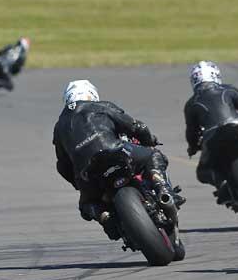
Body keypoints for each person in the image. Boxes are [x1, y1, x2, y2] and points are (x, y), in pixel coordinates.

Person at [53, 80, 183, 239]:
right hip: (116, 151)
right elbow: (136, 127)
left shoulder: (59, 126)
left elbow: (62, 165)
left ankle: (104, 216)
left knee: (86, 205)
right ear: (92, 94)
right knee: (153, 155)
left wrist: (78, 182)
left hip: (87, 172)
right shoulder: (101, 106)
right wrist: (149, 139)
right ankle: (163, 190)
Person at [184, 61, 238, 200]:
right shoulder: (229, 90)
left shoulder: (192, 103)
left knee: (202, 172)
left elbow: (191, 132)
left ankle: (222, 183)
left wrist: (193, 147)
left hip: (213, 138)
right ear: (216, 75)